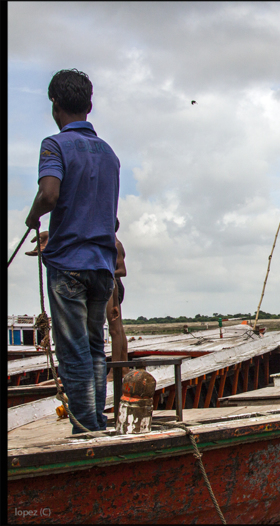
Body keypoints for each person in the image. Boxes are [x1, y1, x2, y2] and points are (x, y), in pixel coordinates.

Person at [25, 69, 120, 434]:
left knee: (73, 351)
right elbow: (107, 217)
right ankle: (95, 420)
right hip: (102, 266)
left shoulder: (54, 145)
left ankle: (85, 428)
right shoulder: (109, 154)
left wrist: (33, 216)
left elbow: (50, 194)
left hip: (69, 264)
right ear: (89, 105)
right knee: (95, 346)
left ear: (55, 105)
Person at [106, 219, 129, 381]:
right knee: (119, 328)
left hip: (113, 285)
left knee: (115, 329)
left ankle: (115, 370)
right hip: (112, 284)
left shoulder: (115, 244)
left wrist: (103, 272)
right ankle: (124, 366)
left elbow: (122, 270)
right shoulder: (108, 242)